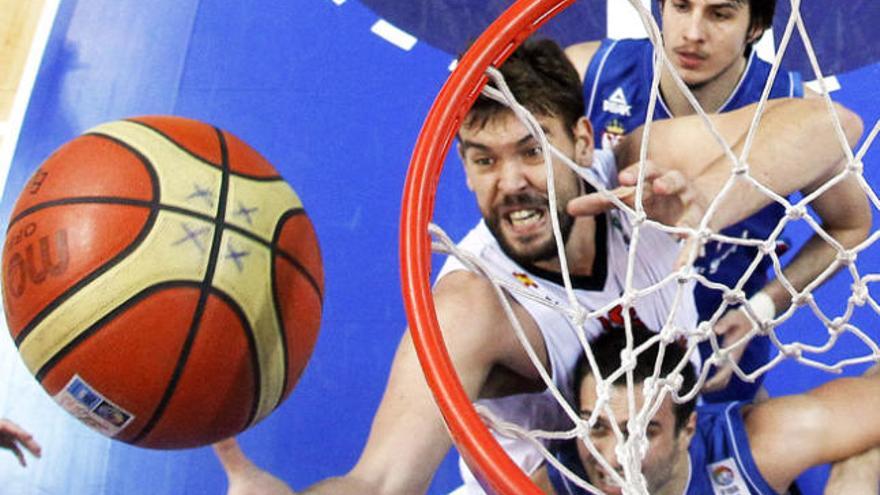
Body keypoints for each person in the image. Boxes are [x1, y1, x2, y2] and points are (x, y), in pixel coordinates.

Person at [215, 38, 864, 495]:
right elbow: (379, 480)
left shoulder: (635, 169)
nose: (511, 183)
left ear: (582, 139)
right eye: (483, 159)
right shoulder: (475, 306)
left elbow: (831, 124)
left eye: (531, 149)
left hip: (667, 452)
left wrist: (708, 202)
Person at [566, 0, 871, 402]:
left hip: (715, 345)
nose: (693, 32)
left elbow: (850, 226)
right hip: (593, 342)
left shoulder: (798, 110)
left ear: (755, 28)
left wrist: (761, 309)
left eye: (719, 14)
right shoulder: (591, 73)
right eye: (681, 6)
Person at [533, 322, 880, 495]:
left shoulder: (756, 449)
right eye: (596, 427)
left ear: (687, 430)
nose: (611, 456)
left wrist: (861, 468)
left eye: (639, 431)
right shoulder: (559, 481)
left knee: (859, 467)